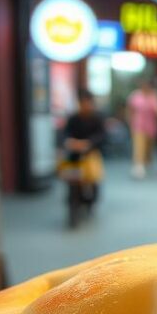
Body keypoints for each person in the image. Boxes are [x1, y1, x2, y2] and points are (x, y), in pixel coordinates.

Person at [59, 90, 106, 224]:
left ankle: (90, 202)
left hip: (91, 156)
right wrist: (70, 142)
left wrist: (89, 143)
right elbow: (65, 134)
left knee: (93, 182)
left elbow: (101, 136)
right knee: (72, 183)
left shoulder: (97, 118)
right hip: (74, 156)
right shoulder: (73, 119)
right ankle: (73, 207)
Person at [126, 77, 157, 179]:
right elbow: (130, 110)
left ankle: (146, 162)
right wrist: (129, 121)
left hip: (151, 126)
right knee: (138, 146)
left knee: (148, 147)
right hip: (138, 125)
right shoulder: (135, 95)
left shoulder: (155, 96)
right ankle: (138, 166)